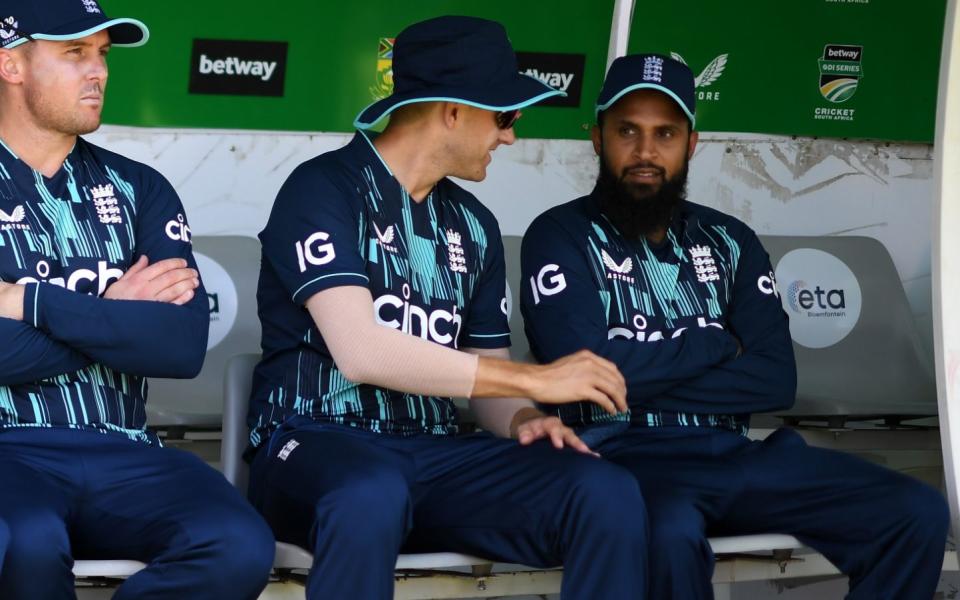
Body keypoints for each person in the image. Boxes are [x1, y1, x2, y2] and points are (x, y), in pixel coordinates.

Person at [520, 53, 949, 600]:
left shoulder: (730, 239)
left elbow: (773, 380)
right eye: (627, 130)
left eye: (666, 133)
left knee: (913, 511)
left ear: (691, 143)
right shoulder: (558, 235)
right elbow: (579, 374)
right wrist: (715, 342)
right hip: (621, 458)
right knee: (664, 532)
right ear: (597, 137)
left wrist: (631, 372)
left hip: (733, 454)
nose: (646, 151)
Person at [248, 15, 647, 600]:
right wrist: (538, 378)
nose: (511, 135)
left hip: (435, 452)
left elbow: (486, 376)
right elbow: (362, 353)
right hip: (313, 442)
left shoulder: (474, 224)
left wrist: (522, 416)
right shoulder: (322, 188)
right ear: (453, 111)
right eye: (504, 116)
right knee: (370, 493)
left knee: (604, 491)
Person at [0, 1, 275, 598]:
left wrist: (32, 303)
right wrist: (118, 311)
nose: (97, 71)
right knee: (24, 541)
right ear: (10, 64)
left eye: (101, 54)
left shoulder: (139, 188)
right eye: (74, 53)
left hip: (125, 446)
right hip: (10, 449)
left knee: (237, 543)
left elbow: (178, 346)